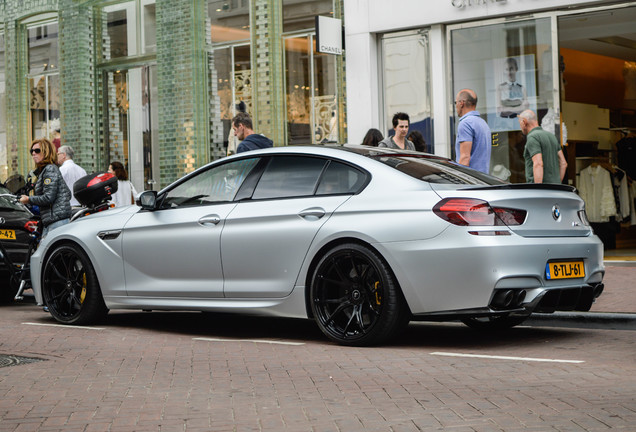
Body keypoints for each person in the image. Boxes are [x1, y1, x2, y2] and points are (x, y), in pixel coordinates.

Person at [19, 138, 71, 237]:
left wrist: (28, 199)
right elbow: (67, 193)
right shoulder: (45, 171)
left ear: (46, 152)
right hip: (53, 221)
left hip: (56, 222)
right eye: (32, 151)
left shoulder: (50, 169)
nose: (34, 153)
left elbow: (48, 197)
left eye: (37, 151)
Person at [518, 109, 568, 184]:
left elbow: (538, 163)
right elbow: (563, 163)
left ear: (524, 122)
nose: (520, 127)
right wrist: (557, 183)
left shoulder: (533, 137)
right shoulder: (551, 136)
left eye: (520, 124)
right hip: (555, 190)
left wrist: (538, 190)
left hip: (541, 191)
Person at [454, 88, 491, 173]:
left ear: (461, 103)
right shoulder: (483, 123)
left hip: (470, 181)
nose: (456, 106)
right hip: (483, 179)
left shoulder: (465, 123)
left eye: (456, 102)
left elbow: (465, 158)